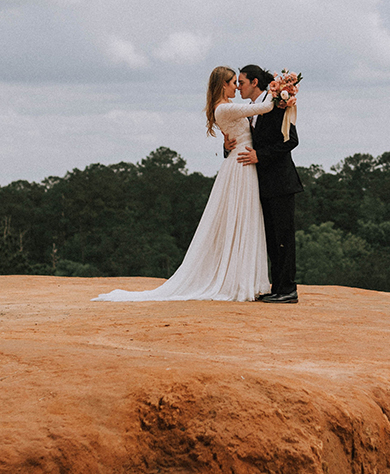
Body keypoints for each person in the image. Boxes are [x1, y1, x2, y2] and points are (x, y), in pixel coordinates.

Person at [93, 67, 274, 303]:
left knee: (244, 220)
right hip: (241, 164)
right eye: (233, 83)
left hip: (240, 160)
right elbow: (264, 107)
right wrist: (280, 88)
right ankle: (241, 282)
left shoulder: (223, 108)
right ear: (223, 85)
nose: (237, 87)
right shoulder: (226, 108)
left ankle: (243, 280)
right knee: (243, 219)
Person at [226, 64, 303, 304]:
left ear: (255, 82)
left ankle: (288, 289)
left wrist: (260, 155)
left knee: (284, 238)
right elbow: (245, 138)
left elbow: (291, 141)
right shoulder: (252, 109)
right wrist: (227, 147)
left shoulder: (277, 105)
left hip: (281, 183)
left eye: (241, 82)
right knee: (272, 239)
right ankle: (277, 288)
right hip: (262, 185)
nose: (238, 87)